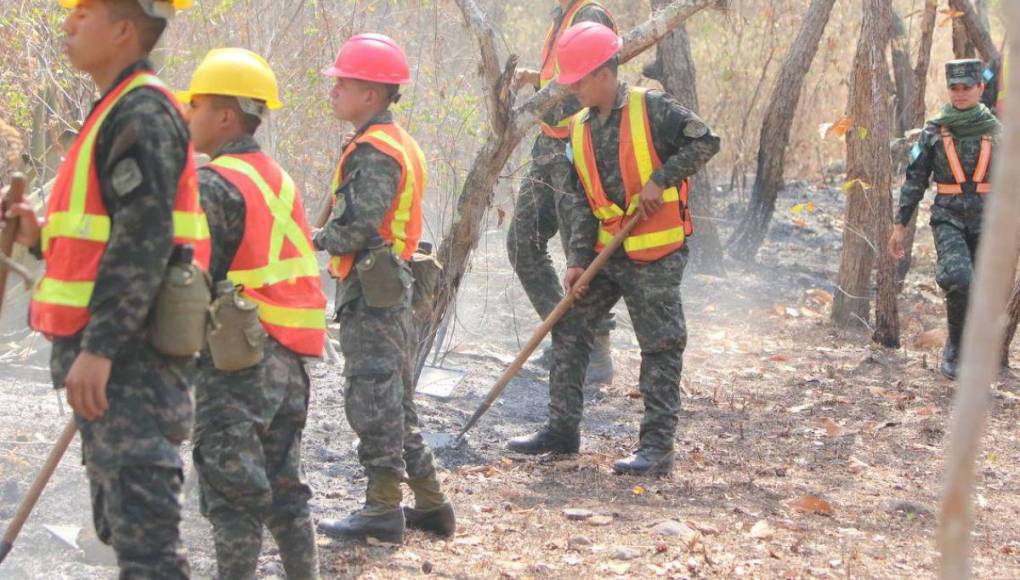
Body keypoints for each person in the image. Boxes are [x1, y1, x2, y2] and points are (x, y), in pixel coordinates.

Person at [4, 0, 209, 576]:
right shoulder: (114, 110)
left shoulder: (142, 112)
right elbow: (103, 237)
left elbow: (143, 239)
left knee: (148, 551)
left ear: (124, 29)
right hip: (118, 358)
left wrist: (101, 349)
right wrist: (39, 238)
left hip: (131, 363)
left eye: (84, 13)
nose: (67, 24)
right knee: (121, 531)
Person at [508, 22, 720, 476]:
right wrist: (578, 260)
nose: (575, 89)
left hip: (656, 251)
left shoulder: (653, 108)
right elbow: (582, 203)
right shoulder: (579, 128)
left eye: (580, 80)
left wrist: (661, 180)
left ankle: (657, 448)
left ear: (606, 72)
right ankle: (562, 431)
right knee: (570, 325)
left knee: (660, 345)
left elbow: (706, 141)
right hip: (607, 251)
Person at [179, 47, 326, 579]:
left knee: (232, 493)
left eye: (195, 107)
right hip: (289, 359)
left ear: (224, 116)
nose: (187, 116)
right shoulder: (275, 177)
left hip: (239, 361)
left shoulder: (217, 184)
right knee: (285, 486)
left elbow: (189, 281)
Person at [314, 33, 455, 544]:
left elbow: (358, 228)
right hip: (391, 291)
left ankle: (381, 509)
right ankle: (433, 504)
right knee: (396, 404)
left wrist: (314, 237)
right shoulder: (396, 141)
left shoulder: (374, 150)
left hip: (374, 295)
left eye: (342, 83)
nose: (333, 91)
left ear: (371, 94)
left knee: (372, 400)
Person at [508, 0, 618, 383]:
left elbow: (588, 87)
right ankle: (567, 337)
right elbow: (565, 80)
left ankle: (595, 353)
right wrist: (533, 78)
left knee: (580, 252)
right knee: (522, 243)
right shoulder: (562, 16)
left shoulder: (588, 15)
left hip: (578, 150)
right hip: (549, 146)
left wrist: (541, 94)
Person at [889, 59, 1001, 380]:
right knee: (959, 280)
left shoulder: (997, 132)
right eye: (955, 87)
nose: (961, 93)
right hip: (948, 218)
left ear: (980, 88)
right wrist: (900, 226)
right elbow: (915, 179)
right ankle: (954, 346)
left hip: (988, 222)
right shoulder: (934, 130)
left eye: (968, 87)